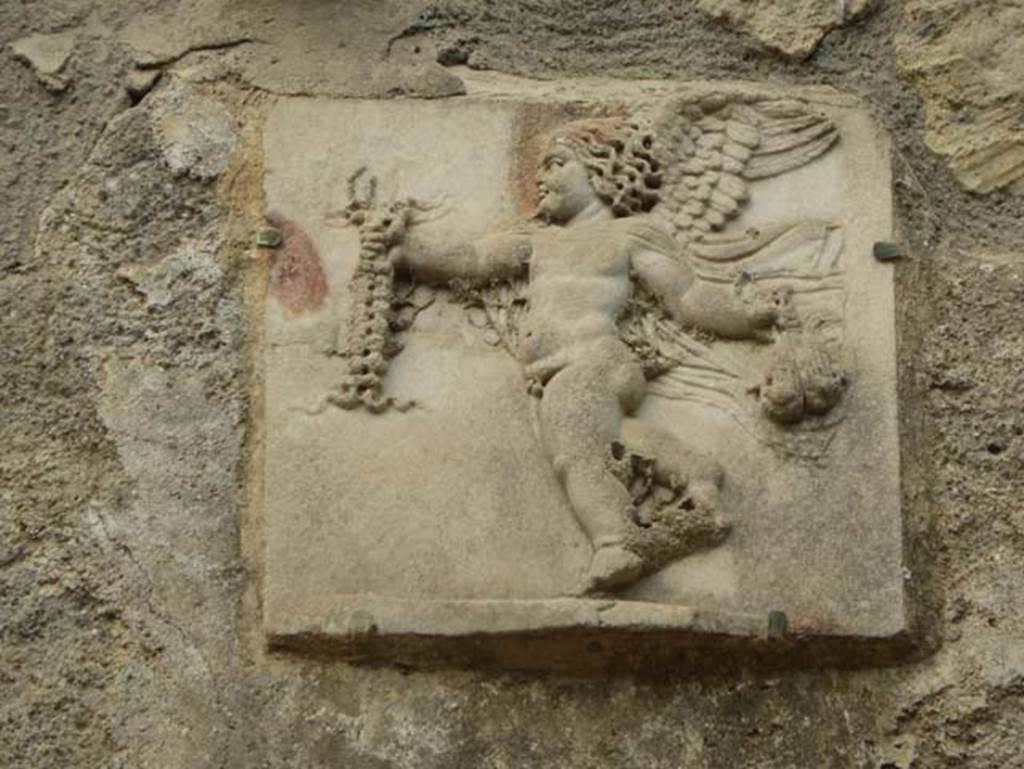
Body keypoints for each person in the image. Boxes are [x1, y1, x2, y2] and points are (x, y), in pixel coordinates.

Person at [372, 117, 784, 591]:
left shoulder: (628, 236)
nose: (542, 178)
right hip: (560, 372)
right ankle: (694, 471)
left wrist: (745, 316)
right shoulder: (537, 241)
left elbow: (686, 298)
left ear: (602, 173)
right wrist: (406, 251)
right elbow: (473, 260)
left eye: (557, 164)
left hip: (595, 360)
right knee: (606, 436)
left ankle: (615, 542)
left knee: (574, 442)